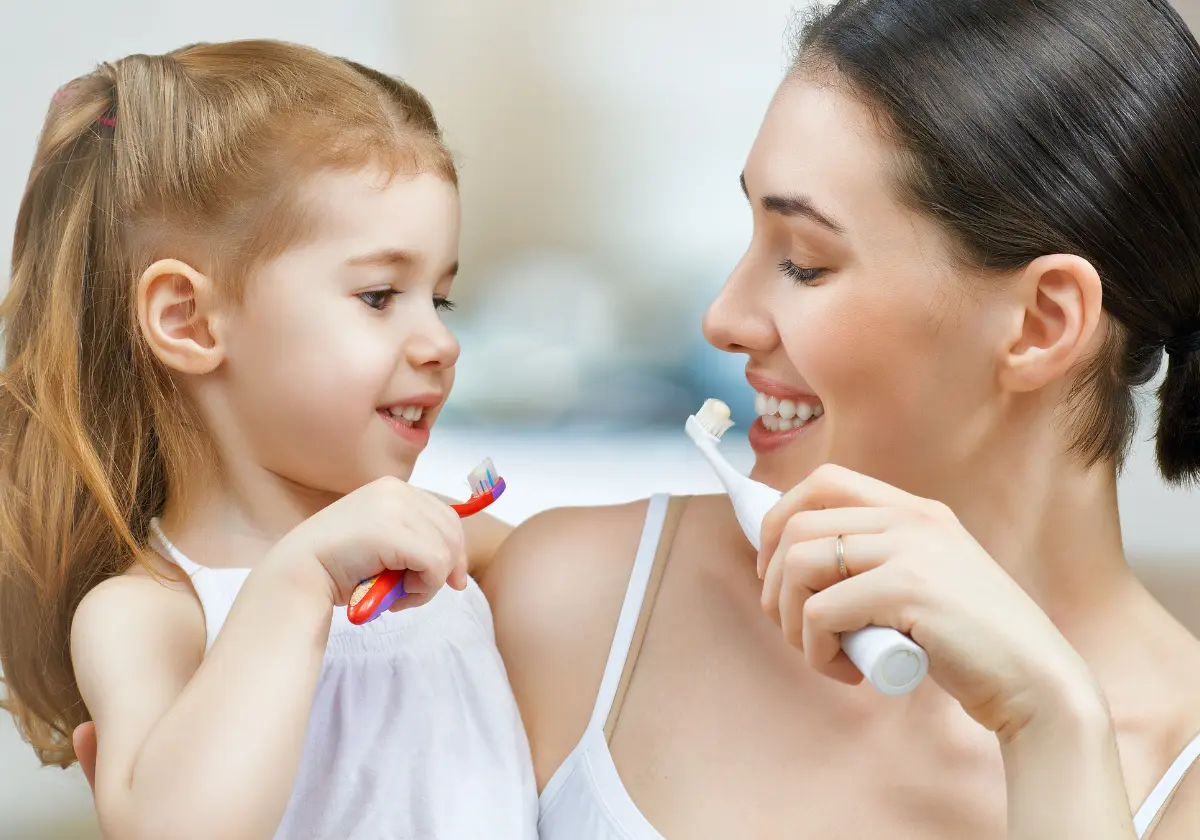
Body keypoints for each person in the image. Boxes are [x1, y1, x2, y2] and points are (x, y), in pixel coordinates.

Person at [483, 0, 1200, 837]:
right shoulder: (578, 605)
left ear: (1044, 321)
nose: (723, 317)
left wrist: (1052, 727)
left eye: (804, 263)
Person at [0, 40, 535, 840]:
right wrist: (295, 582)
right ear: (187, 319)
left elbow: (636, 581)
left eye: (442, 300)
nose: (439, 343)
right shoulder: (150, 615)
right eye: (381, 295)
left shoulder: (454, 550)